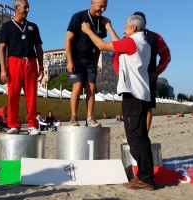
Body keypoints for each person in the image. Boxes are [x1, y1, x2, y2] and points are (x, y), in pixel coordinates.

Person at [81, 14, 155, 190]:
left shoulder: (132, 42)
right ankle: (145, 176)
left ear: (133, 28)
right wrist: (108, 27)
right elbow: (119, 47)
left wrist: (88, 30)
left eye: (126, 26)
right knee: (141, 137)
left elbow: (102, 45)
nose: (123, 29)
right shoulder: (142, 42)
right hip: (142, 94)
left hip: (133, 96)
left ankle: (146, 179)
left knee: (135, 138)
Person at [0, 0, 43, 135]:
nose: (27, 10)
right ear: (16, 8)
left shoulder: (33, 27)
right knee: (13, 95)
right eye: (25, 7)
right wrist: (3, 69)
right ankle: (14, 125)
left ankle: (32, 125)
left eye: (28, 7)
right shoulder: (7, 26)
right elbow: (2, 49)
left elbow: (39, 48)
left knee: (32, 96)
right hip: (14, 62)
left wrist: (41, 67)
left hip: (30, 62)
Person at [65, 0, 108, 127]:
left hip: (90, 60)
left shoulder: (102, 21)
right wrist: (70, 61)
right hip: (76, 58)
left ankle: (90, 117)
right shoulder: (78, 17)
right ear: (92, 2)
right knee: (77, 87)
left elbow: (99, 45)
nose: (103, 10)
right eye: (101, 6)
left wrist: (95, 62)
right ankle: (73, 117)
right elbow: (68, 40)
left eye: (105, 7)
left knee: (92, 88)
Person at [132, 12, 171, 133]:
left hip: (149, 78)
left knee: (148, 108)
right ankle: (134, 135)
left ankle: (145, 135)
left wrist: (157, 71)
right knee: (133, 108)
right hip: (133, 79)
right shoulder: (128, 37)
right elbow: (118, 56)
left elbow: (166, 55)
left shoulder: (155, 37)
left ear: (145, 22)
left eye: (141, 21)